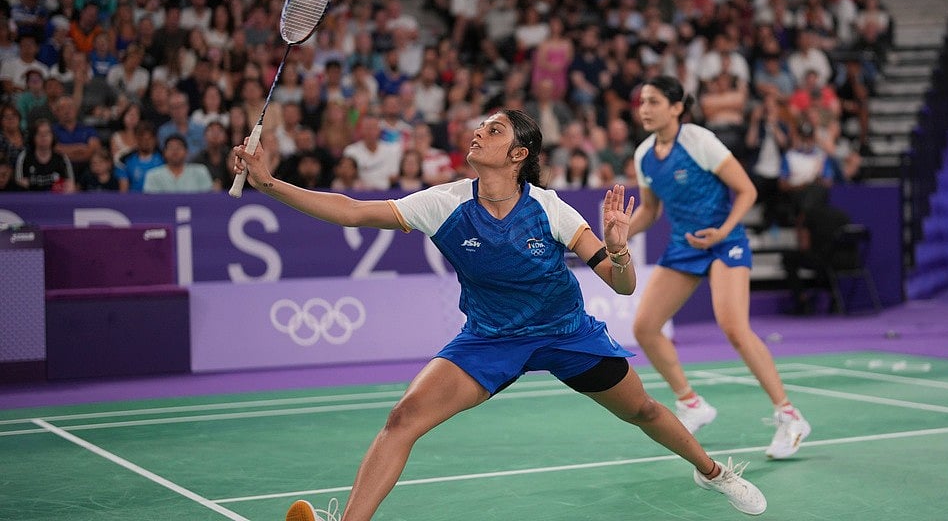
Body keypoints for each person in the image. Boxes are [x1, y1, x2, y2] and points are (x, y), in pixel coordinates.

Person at [232, 109, 767, 520]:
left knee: (644, 411)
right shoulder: (445, 203)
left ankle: (714, 471)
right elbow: (352, 210)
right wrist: (270, 184)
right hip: (489, 339)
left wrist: (618, 248)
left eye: (492, 130)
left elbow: (622, 286)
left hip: (565, 332)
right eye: (480, 127)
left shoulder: (552, 209)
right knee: (402, 420)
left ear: (519, 153)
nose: (477, 134)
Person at [626, 76, 811, 460]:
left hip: (725, 241)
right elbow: (650, 209)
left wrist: (723, 231)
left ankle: (790, 416)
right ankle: (691, 403)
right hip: (684, 246)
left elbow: (747, 190)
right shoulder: (644, 155)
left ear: (676, 107)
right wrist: (620, 232)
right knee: (644, 327)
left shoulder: (699, 142)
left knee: (734, 327)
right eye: (643, 102)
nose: (644, 109)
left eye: (654, 101)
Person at [143, 134, 214, 193]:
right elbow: (150, 203)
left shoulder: (200, 171)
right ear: (164, 153)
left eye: (179, 148)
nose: (175, 151)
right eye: (171, 148)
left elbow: (207, 199)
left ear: (187, 152)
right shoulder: (153, 175)